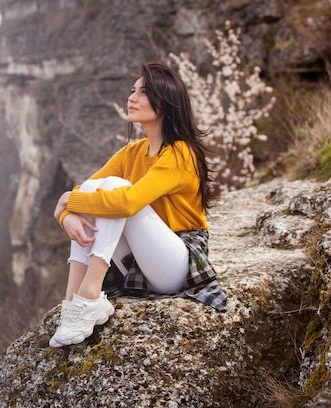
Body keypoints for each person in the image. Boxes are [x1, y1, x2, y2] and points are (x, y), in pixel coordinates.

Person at [49, 62, 227, 348]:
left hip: (177, 262)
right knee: (98, 189)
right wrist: (65, 214)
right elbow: (84, 191)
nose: (131, 98)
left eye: (143, 92)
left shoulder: (180, 153)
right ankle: (73, 302)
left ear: (166, 101)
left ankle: (90, 293)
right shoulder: (131, 152)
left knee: (116, 191)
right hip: (140, 263)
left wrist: (66, 201)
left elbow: (127, 202)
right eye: (132, 90)